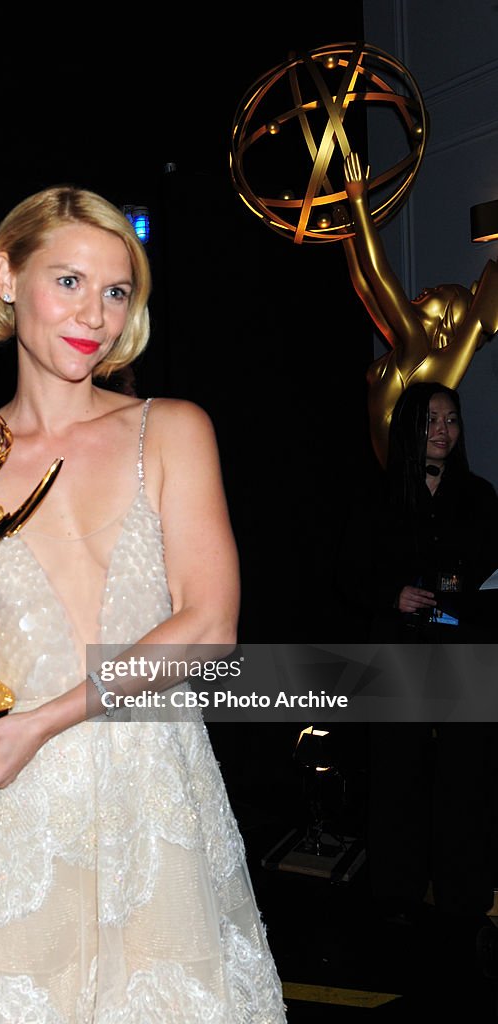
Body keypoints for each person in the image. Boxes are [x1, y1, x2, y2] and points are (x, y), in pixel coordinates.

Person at [0, 186, 287, 1022]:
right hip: (12, 812)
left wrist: (41, 721)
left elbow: (209, 626)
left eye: (115, 292)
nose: (93, 315)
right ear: (6, 275)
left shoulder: (170, 429)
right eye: (67, 281)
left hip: (154, 798)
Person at [336, 381, 498, 947]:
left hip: (464, 650)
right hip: (399, 647)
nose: (443, 431)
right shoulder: (377, 498)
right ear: (408, 426)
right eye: (431, 420)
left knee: (467, 776)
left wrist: (461, 596)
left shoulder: (480, 497)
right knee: (397, 772)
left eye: (451, 420)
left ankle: (463, 896)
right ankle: (397, 895)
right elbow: (348, 579)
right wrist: (392, 594)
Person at [339, 150, 498, 468]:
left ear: (446, 319)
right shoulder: (405, 347)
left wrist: (358, 201)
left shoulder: (416, 349)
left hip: (405, 485)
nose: (426, 290)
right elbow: (364, 287)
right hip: (397, 486)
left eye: (437, 292)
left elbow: (379, 275)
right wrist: (346, 231)